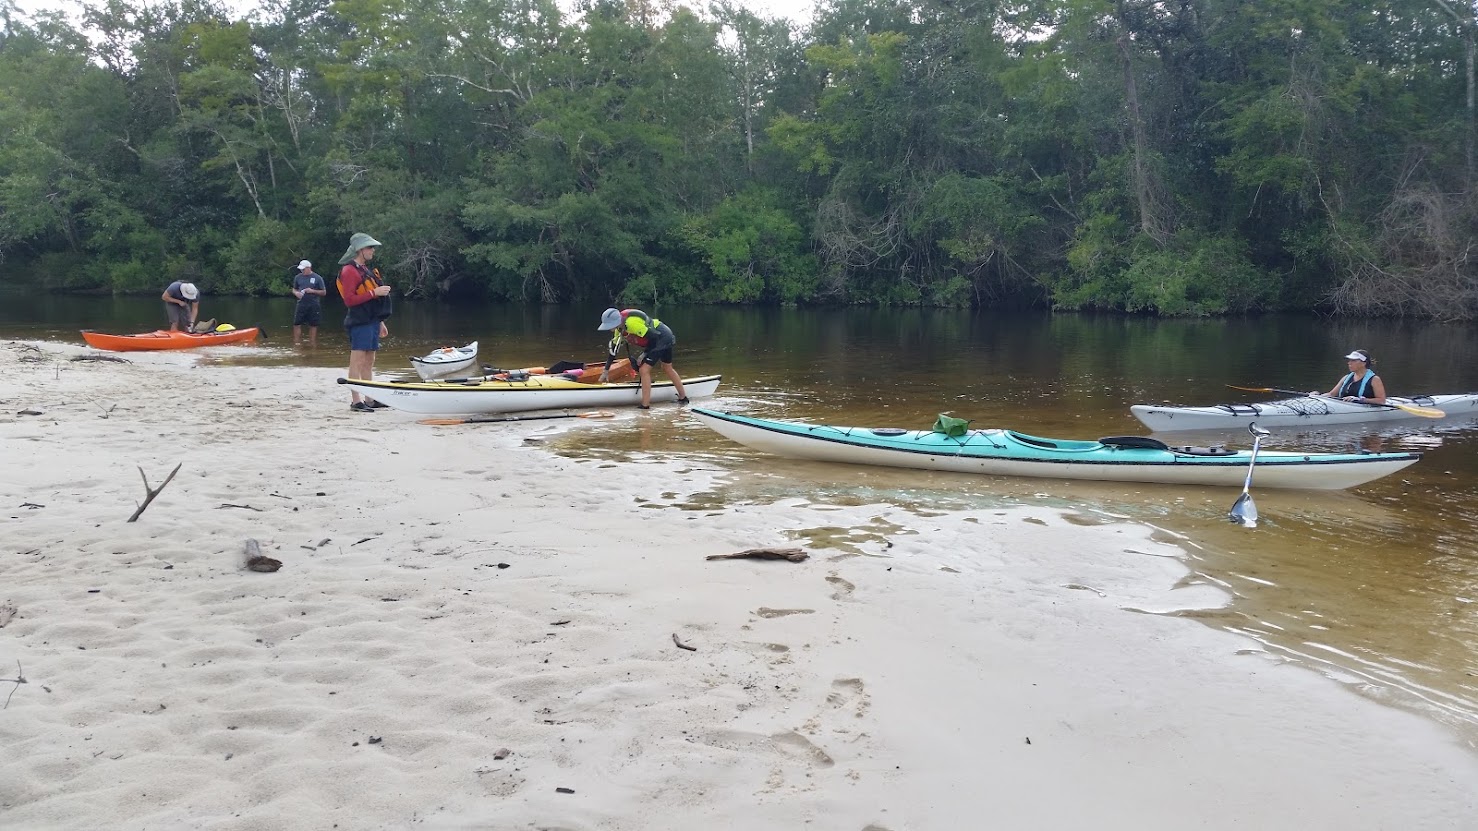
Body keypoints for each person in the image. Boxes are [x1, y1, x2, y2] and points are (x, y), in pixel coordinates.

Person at [336, 233, 392, 413]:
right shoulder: (349, 271)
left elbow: (371, 300)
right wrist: (374, 293)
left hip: (371, 321)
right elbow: (349, 300)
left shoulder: (364, 269)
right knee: (357, 361)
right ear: (360, 250)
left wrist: (380, 322)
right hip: (359, 321)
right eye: (370, 248)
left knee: (369, 361)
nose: (373, 251)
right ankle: (356, 401)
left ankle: (369, 398)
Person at [597, 307, 688, 409]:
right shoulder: (619, 330)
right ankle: (683, 398)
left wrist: (644, 354)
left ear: (617, 322)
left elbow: (654, 337)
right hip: (661, 336)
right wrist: (606, 371)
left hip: (662, 336)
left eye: (610, 326)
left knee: (644, 369)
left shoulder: (632, 324)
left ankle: (645, 405)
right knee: (667, 367)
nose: (609, 329)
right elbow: (613, 351)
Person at [1311, 349, 1387, 405]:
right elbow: (1331, 394)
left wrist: (1361, 399)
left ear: (1364, 363)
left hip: (1363, 409)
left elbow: (1381, 401)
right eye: (1349, 360)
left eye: (1353, 361)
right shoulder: (1345, 378)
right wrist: (1317, 396)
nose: (1349, 363)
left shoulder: (1374, 379)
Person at [291, 260, 327, 346]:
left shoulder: (318, 278)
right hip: (301, 304)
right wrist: (296, 293)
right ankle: (297, 342)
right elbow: (294, 289)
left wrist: (312, 291)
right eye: (301, 270)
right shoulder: (298, 277)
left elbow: (324, 292)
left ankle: (312, 342)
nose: (302, 271)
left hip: (313, 304)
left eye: (303, 269)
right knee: (297, 323)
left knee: (313, 324)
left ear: (308, 268)